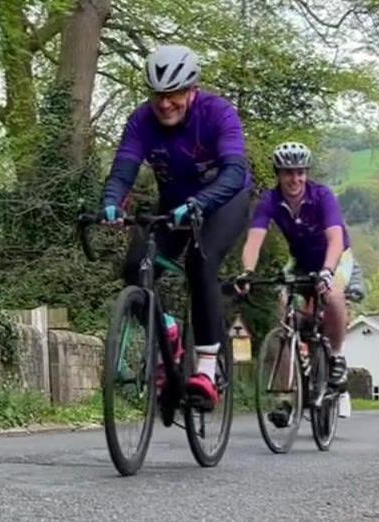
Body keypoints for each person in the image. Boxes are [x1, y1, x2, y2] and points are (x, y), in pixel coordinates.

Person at [99, 44, 253, 408]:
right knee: (135, 266)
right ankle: (166, 329)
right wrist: (109, 203)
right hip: (174, 203)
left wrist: (202, 201)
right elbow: (123, 171)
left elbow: (235, 171)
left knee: (200, 263)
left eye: (174, 94)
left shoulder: (217, 113)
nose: (165, 104)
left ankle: (206, 369)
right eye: (157, 95)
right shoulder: (141, 121)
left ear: (192, 90)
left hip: (223, 200)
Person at [236, 141, 355, 422]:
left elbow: (335, 238)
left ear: (306, 173)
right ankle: (284, 398)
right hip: (300, 262)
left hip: (335, 258)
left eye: (300, 172)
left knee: (334, 295)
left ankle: (336, 357)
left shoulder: (321, 195)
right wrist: (247, 272)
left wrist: (327, 271)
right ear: (278, 174)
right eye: (288, 173)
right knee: (283, 318)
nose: (295, 179)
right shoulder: (270, 200)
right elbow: (254, 239)